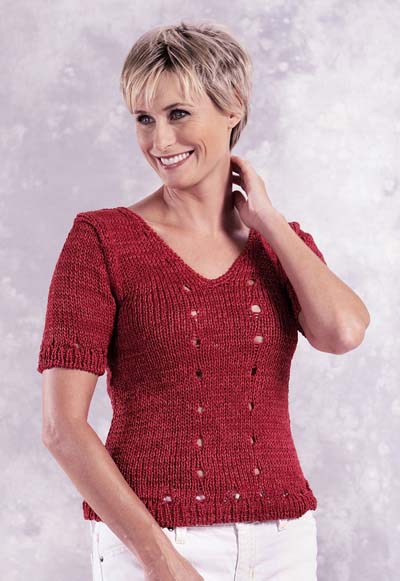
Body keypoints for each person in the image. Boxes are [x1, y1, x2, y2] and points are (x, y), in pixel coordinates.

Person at [37, 20, 370, 581]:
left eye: (178, 114)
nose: (160, 142)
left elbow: (343, 332)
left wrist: (266, 219)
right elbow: (61, 428)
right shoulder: (101, 240)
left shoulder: (281, 244)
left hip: (282, 540)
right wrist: (160, 560)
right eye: (144, 119)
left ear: (233, 105)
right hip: (152, 541)